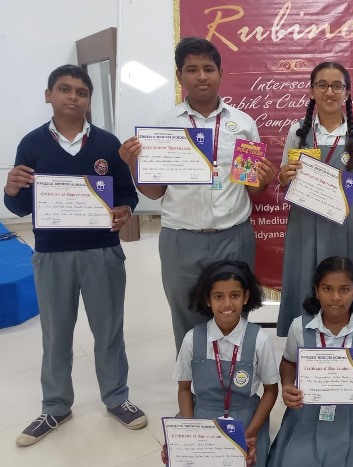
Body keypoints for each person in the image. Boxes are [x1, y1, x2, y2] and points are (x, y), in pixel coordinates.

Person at [3, 65, 145, 447]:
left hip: (102, 252)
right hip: (52, 255)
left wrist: (125, 211)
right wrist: (10, 189)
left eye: (81, 92)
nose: (73, 97)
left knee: (109, 331)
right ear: (48, 95)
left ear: (89, 100)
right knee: (56, 333)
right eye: (64, 90)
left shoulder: (105, 143)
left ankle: (116, 397)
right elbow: (18, 207)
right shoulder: (32, 144)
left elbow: (127, 194)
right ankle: (55, 406)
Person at [118, 37, 276, 354]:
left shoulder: (242, 124)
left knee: (234, 316)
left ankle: (235, 386)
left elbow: (252, 187)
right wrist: (134, 166)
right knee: (186, 317)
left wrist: (263, 179)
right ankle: (192, 394)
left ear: (220, 73)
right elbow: (154, 191)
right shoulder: (163, 126)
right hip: (181, 238)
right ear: (180, 76)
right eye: (192, 69)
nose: (201, 76)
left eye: (208, 69)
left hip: (233, 235)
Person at [276, 62, 353, 337]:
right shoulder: (297, 131)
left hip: (347, 220)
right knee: (307, 276)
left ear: (347, 92)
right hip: (307, 218)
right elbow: (284, 179)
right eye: (322, 85)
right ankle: (305, 347)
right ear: (311, 91)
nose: (329, 92)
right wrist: (285, 176)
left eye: (337, 86)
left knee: (346, 278)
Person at [267, 256, 353, 467]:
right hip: (307, 406)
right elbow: (288, 362)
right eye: (327, 289)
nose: (335, 297)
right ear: (316, 290)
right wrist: (287, 385)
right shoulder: (299, 326)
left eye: (344, 290)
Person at [167, 260, 278, 466]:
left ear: (245, 297)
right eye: (218, 296)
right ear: (208, 300)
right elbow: (184, 389)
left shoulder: (260, 339)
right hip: (203, 417)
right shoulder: (192, 338)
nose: (227, 304)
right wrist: (190, 431)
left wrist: (250, 433)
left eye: (234, 295)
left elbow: (271, 390)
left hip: (246, 419)